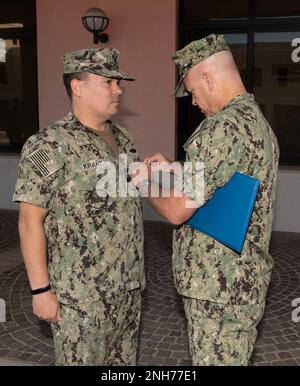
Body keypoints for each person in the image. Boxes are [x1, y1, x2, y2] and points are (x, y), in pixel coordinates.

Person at [137, 34, 279, 365]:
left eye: (192, 90)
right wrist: (171, 172)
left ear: (207, 77)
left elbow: (176, 211)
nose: (193, 100)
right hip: (241, 282)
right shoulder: (256, 123)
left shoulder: (221, 128)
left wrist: (145, 183)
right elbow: (224, 181)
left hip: (217, 287)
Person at [13, 48, 145, 366]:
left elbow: (129, 199)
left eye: (119, 83)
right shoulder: (49, 144)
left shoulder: (123, 138)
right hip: (81, 297)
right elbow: (30, 221)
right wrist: (40, 290)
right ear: (78, 87)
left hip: (128, 288)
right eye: (109, 82)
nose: (119, 89)